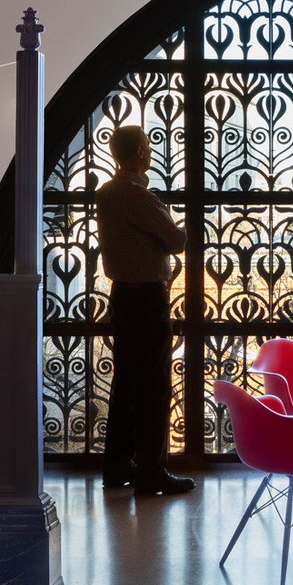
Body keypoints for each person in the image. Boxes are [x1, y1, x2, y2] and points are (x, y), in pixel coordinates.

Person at [93, 124, 194, 496]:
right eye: (148, 146)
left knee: (127, 383)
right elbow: (178, 240)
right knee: (153, 387)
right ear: (138, 152)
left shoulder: (106, 193)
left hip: (122, 295)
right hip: (148, 298)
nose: (151, 152)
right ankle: (152, 469)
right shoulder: (138, 195)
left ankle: (117, 465)